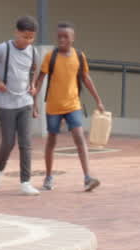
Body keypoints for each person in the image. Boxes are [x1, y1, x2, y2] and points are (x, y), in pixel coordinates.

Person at [33, 22, 106, 192]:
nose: (62, 39)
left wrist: (98, 100)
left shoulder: (79, 56)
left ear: (73, 38)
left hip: (73, 105)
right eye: (59, 36)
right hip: (53, 106)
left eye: (65, 36)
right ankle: (49, 177)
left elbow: (86, 78)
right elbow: (39, 80)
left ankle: (88, 177)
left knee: (80, 139)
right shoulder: (50, 57)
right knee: (51, 142)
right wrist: (34, 104)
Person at [0, 16, 42, 196]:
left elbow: (34, 72)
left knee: (26, 144)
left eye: (31, 37)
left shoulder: (33, 52)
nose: (28, 41)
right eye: (25, 36)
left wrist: (33, 87)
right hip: (6, 104)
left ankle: (25, 182)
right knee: (8, 142)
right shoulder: (3, 49)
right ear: (16, 32)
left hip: (25, 102)